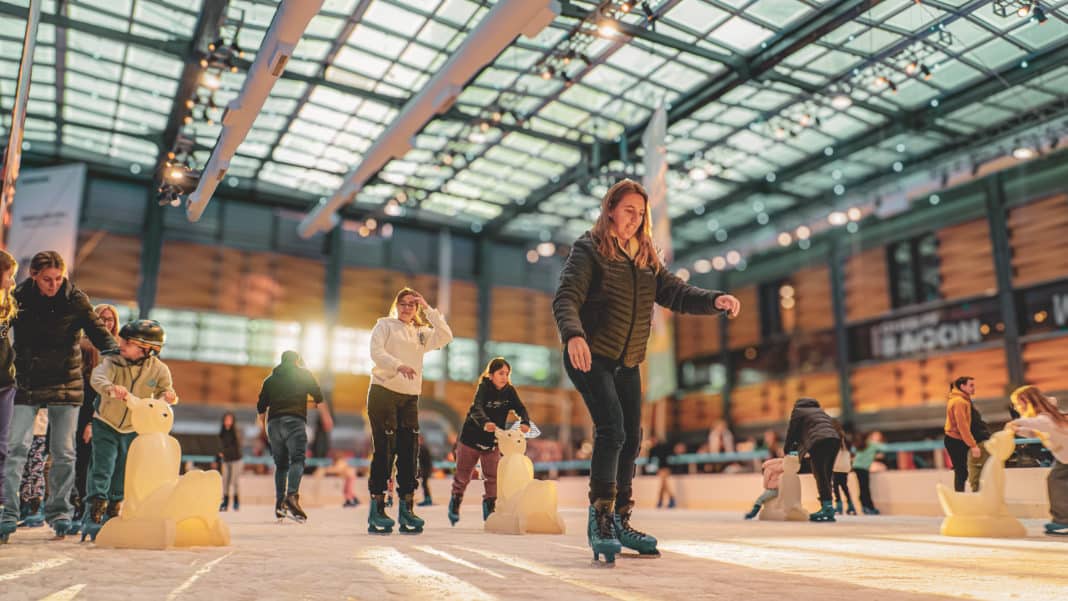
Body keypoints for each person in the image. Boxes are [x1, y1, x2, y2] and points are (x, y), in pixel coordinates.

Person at [553, 178, 740, 562]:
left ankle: (621, 519)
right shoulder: (589, 249)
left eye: (641, 214)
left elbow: (674, 292)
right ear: (610, 210)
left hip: (628, 362)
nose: (635, 220)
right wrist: (574, 335)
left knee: (633, 438)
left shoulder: (646, 256)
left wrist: (713, 300)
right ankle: (600, 518)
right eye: (628, 211)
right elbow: (566, 296)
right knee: (612, 430)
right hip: (590, 355)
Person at [1, 251, 118, 539]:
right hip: (27, 381)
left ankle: (60, 513)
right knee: (16, 448)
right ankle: (9, 513)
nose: (53, 285)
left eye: (58, 279)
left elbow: (99, 332)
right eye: (46, 280)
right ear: (34, 276)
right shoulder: (18, 297)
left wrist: (120, 356)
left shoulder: (75, 298)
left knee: (64, 453)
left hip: (66, 381)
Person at [366, 288, 452, 534]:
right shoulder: (384, 325)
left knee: (409, 452)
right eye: (403, 304)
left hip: (409, 398)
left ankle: (407, 509)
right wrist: (398, 365)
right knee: (385, 450)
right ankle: (378, 510)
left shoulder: (420, 334)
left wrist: (427, 307)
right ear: (396, 305)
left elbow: (446, 335)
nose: (407, 308)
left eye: (411, 305)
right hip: (383, 392)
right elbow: (376, 352)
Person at [82, 319, 178, 540]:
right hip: (106, 422)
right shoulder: (112, 361)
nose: (121, 343)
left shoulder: (159, 370)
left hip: (134, 428)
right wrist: (110, 388)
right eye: (122, 339)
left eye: (128, 341)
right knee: (102, 466)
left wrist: (168, 397)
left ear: (147, 349)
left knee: (124, 470)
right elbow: (97, 378)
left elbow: (166, 391)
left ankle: (114, 510)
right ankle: (94, 513)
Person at [448, 357, 530, 526]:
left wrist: (525, 422)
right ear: (491, 375)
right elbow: (476, 408)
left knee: (493, 477)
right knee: (463, 476)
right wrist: (485, 422)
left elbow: (520, 408)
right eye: (501, 373)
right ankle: (456, 501)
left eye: (507, 374)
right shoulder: (483, 388)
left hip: (492, 441)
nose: (504, 377)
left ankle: (490, 509)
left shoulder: (509, 391)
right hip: (470, 439)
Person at [257, 350, 333, 523]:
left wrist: (263, 428)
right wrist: (326, 417)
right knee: (297, 460)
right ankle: (292, 497)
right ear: (297, 361)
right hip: (294, 422)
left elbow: (261, 407)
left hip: (274, 425)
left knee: (281, 465)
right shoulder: (304, 375)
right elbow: (319, 398)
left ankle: (279, 504)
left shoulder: (270, 380)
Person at [74, 304, 119, 522]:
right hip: (85, 408)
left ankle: (104, 507)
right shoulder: (84, 346)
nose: (107, 323)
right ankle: (82, 506)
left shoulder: (119, 349)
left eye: (110, 319)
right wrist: (89, 420)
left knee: (104, 463)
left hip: (109, 411)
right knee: (83, 461)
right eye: (102, 318)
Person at [1007, 385, 1068, 536]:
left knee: (1056, 481)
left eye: (1017, 403)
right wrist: (1018, 430)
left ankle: (1062, 521)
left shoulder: (1044, 418)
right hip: (1063, 457)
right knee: (1056, 481)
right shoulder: (1046, 416)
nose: (1016, 407)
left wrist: (1015, 424)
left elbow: (1038, 424)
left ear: (1025, 401)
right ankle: (1062, 519)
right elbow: (1035, 433)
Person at [784, 398, 840, 522]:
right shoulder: (820, 411)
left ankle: (826, 507)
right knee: (827, 474)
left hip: (818, 441)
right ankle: (829, 506)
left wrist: (787, 450)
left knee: (819, 474)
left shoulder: (798, 411)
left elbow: (792, 432)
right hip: (834, 440)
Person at [943, 376, 991, 492]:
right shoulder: (959, 402)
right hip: (956, 440)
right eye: (971, 385)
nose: (973, 388)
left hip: (958, 439)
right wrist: (973, 445)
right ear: (962, 386)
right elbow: (962, 426)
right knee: (961, 471)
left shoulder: (963, 400)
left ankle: (961, 497)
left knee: (962, 472)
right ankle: (959, 498)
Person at [0, 251, 16, 540]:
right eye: (9, 273)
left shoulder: (8, 304)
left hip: (5, 383)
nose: (12, 280)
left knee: (2, 448)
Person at [852, 430, 885, 515]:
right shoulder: (873, 444)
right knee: (865, 488)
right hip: (863, 468)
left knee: (863, 487)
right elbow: (886, 448)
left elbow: (854, 451)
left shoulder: (861, 444)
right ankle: (869, 507)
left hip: (857, 467)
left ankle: (865, 506)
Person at [218, 411, 243, 511]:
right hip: (226, 460)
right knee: (225, 481)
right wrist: (219, 454)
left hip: (236, 460)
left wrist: (225, 452)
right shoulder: (222, 432)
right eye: (226, 419)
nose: (227, 421)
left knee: (234, 481)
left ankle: (236, 502)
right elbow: (219, 445)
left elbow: (236, 447)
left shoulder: (235, 432)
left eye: (229, 419)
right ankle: (225, 502)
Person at [831, 422, 855, 516]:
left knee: (836, 487)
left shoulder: (834, 440)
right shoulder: (847, 441)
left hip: (836, 466)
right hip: (845, 467)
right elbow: (852, 454)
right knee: (844, 486)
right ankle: (851, 506)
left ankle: (839, 506)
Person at [648, 436, 675, 509]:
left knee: (663, 484)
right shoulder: (659, 447)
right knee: (663, 484)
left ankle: (668, 499)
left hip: (664, 468)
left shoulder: (655, 448)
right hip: (664, 468)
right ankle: (665, 500)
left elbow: (649, 460)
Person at [417, 436, 433, 507]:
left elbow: (424, 461)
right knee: (424, 484)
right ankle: (427, 499)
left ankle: (428, 499)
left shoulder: (422, 448)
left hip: (425, 470)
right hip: (426, 469)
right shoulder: (423, 448)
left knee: (424, 484)